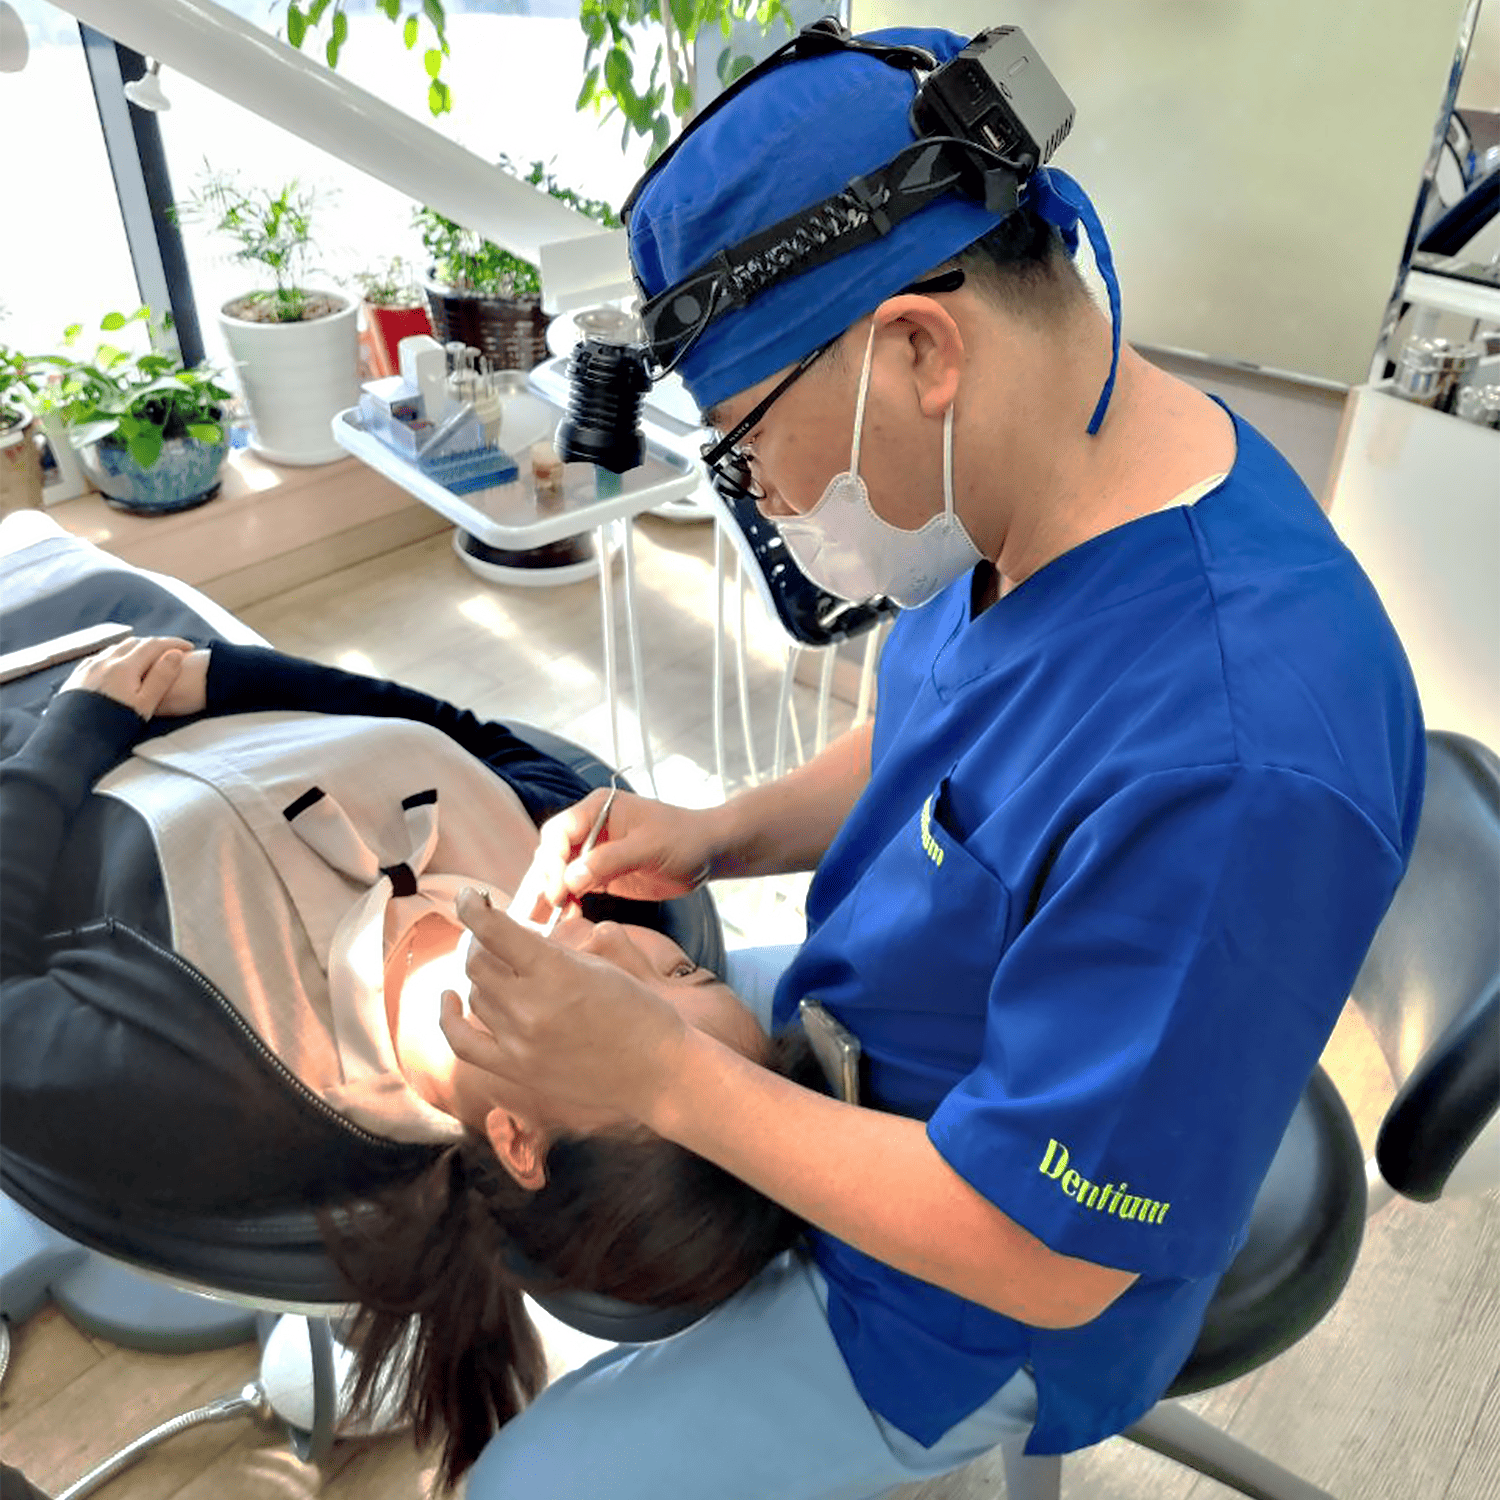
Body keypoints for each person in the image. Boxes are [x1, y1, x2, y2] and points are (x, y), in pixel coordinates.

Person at [439, 21, 1427, 1500]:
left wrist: (669, 1078)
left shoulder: (1237, 762)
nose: (766, 498)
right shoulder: (1054, 480)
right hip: (894, 1032)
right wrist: (718, 832)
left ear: (918, 347)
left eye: (749, 445)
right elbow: (946, 740)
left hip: (991, 1283)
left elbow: (1046, 1258)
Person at [0, 633, 819, 1491]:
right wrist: (225, 676)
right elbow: (463, 731)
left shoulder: (199, 1080)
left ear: (518, 1140)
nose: (621, 945)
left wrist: (80, 725)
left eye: (636, 1024)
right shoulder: (578, 874)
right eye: (681, 972)